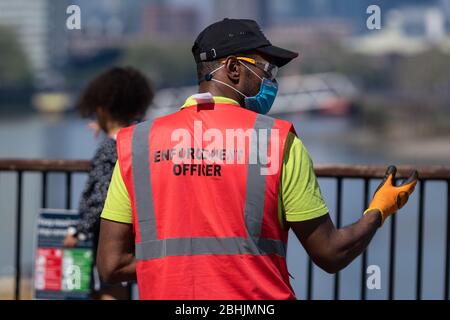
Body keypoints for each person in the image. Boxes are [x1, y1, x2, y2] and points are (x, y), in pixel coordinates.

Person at [96, 18, 418, 300]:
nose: (271, 82)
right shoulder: (277, 141)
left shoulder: (137, 144)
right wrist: (379, 210)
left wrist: (184, 267)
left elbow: (110, 266)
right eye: (267, 70)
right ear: (234, 69)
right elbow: (331, 253)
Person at [63, 66, 154, 299]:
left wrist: (79, 231)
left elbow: (101, 195)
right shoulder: (135, 140)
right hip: (133, 230)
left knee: (108, 286)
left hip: (104, 233)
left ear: (102, 110)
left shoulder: (109, 148)